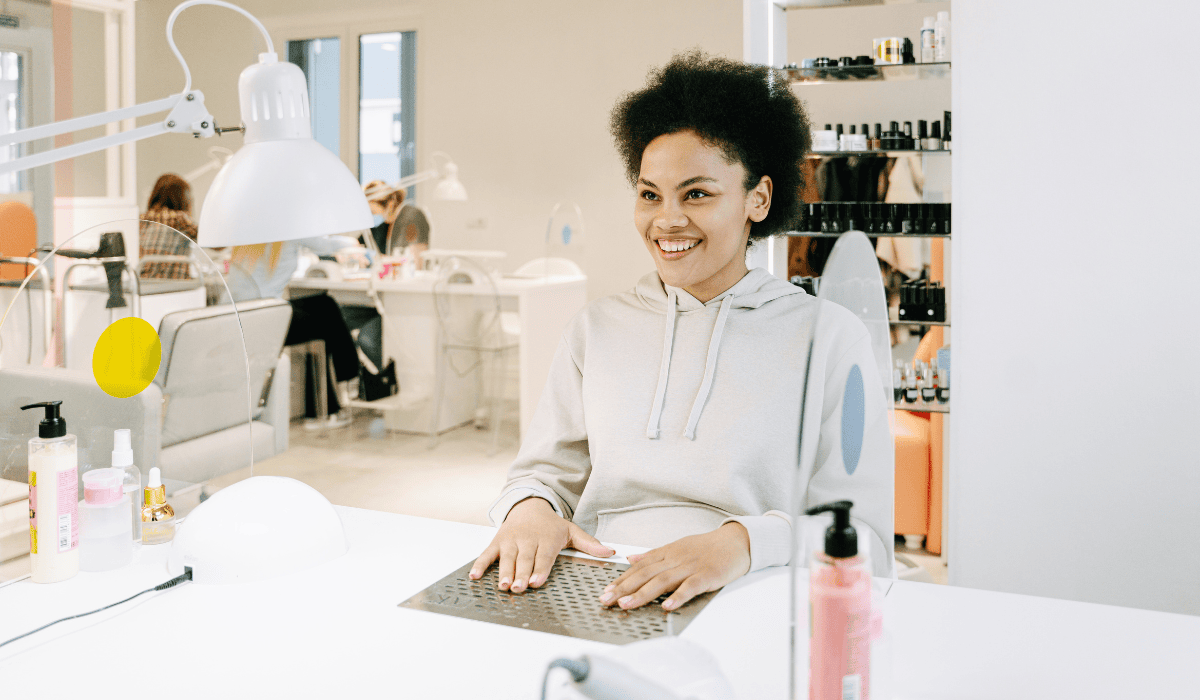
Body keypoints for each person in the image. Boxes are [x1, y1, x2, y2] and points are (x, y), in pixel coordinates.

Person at [471, 52, 893, 613]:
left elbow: (867, 538)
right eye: (650, 195)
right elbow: (543, 474)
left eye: (696, 194)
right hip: (597, 593)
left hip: (748, 596)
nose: (666, 220)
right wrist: (529, 510)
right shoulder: (595, 329)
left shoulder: (831, 339)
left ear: (758, 199)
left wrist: (740, 543)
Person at [226, 236, 372, 426]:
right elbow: (324, 245)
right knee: (327, 317)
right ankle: (340, 393)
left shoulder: (248, 234)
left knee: (325, 306)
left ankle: (332, 399)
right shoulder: (288, 229)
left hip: (243, 317)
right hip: (269, 318)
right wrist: (351, 243)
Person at [140, 174, 198, 280]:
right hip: (173, 285)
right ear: (182, 197)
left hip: (144, 284)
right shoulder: (179, 218)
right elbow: (217, 246)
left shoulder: (142, 219)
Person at [361, 180, 431, 266]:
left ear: (390, 204)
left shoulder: (412, 216)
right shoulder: (392, 223)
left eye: (374, 212)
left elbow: (416, 260)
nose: (377, 217)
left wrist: (383, 260)